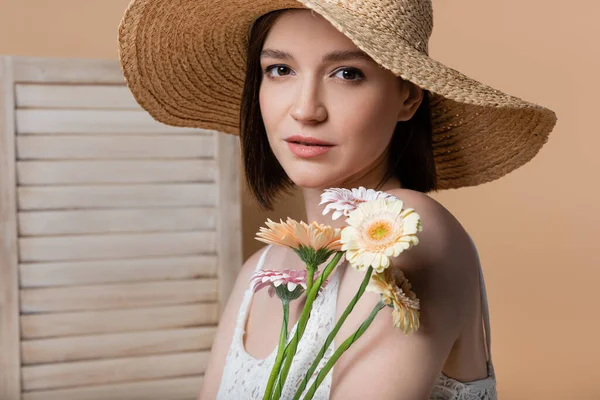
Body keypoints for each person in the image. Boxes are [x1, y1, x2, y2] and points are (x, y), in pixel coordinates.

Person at [117, 1, 556, 399]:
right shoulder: (262, 270)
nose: (306, 109)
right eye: (280, 70)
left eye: (347, 73)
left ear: (407, 96)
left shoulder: (410, 230)